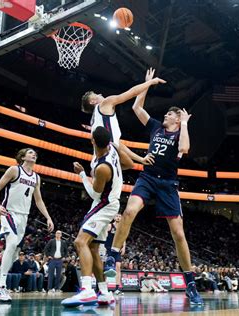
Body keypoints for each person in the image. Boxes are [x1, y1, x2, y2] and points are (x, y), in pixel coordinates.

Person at [105, 79, 203, 305]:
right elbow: (136, 108)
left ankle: (190, 283)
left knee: (178, 234)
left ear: (177, 119)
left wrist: (185, 124)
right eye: (167, 114)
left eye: (171, 114)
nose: (166, 115)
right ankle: (113, 256)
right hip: (147, 178)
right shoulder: (157, 127)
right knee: (129, 211)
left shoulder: (180, 133)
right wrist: (146, 85)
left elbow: (185, 149)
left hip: (168, 184)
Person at [61, 127, 134, 307]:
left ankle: (86, 290)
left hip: (105, 203)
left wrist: (82, 175)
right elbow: (130, 164)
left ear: (92, 141)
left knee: (80, 242)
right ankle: (104, 292)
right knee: (93, 250)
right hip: (109, 201)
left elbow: (95, 194)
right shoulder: (113, 150)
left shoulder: (102, 168)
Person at [0, 148, 54, 302]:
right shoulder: (14, 170)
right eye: (30, 152)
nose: (34, 154)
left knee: (15, 253)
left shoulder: (36, 177)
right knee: (10, 246)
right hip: (8, 212)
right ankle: (2, 288)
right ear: (23, 157)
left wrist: (48, 217)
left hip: (23, 217)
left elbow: (38, 200)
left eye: (35, 154)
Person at [81, 68, 164, 165]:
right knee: (128, 165)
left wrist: (140, 159)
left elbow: (118, 144)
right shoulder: (104, 104)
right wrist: (150, 82)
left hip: (101, 159)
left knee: (130, 165)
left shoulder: (95, 119)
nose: (100, 94)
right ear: (92, 102)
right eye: (96, 94)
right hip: (106, 159)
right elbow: (131, 93)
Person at [104, 214, 126, 295]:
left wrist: (123, 247)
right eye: (117, 216)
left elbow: (123, 238)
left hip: (117, 249)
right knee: (107, 268)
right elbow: (104, 235)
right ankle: (103, 288)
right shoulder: (110, 226)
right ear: (114, 217)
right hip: (108, 248)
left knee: (118, 268)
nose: (118, 218)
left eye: (120, 216)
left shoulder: (122, 228)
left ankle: (117, 289)